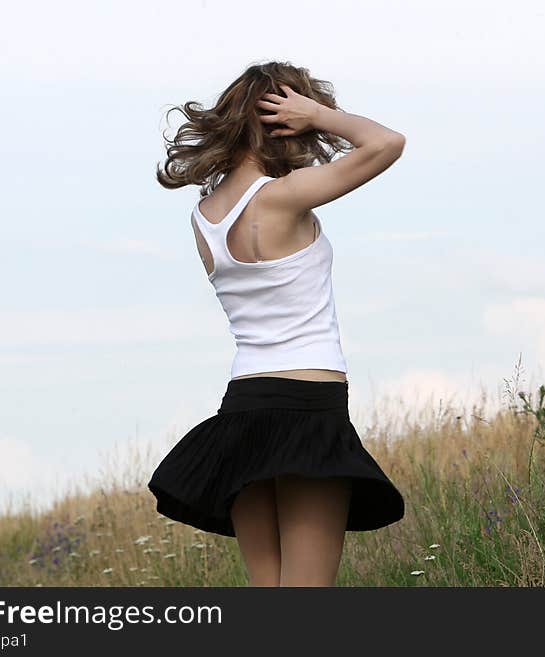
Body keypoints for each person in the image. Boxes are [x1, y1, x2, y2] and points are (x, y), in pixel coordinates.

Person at [147, 61, 406, 587]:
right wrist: (322, 114)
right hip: (308, 405)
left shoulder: (204, 218)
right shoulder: (284, 197)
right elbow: (387, 143)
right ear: (283, 122)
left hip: (243, 407)